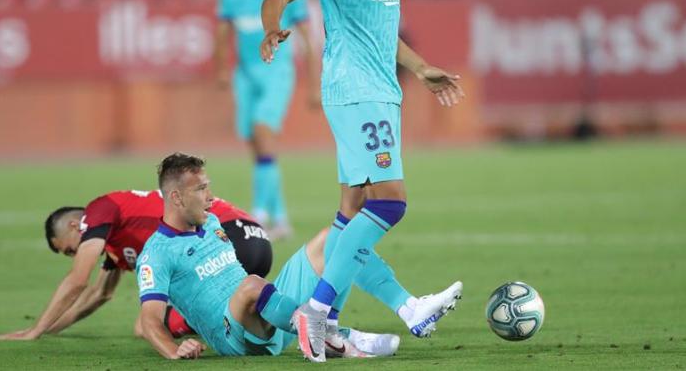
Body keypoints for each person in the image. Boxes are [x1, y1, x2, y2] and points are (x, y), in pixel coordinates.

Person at [260, 0, 465, 361]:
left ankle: (408, 308)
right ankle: (316, 311)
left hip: (381, 91)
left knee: (349, 216)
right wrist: (272, 27)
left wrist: (420, 69)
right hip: (354, 91)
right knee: (389, 204)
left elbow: (383, 30)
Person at [137, 152, 461, 360]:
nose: (210, 197)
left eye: (209, 187)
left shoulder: (209, 223)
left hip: (269, 311)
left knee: (335, 239)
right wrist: (174, 349)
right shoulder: (156, 253)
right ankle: (333, 335)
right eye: (200, 189)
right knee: (251, 284)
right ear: (176, 198)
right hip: (233, 336)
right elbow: (149, 320)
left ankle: (405, 308)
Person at [0, 190, 270, 340]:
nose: (76, 255)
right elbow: (100, 294)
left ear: (77, 225)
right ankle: (283, 311)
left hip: (226, 235)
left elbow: (78, 281)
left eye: (69, 250)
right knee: (149, 323)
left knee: (151, 325)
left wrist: (34, 331)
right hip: (254, 239)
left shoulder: (99, 209)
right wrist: (49, 328)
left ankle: (259, 316)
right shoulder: (116, 241)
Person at [215, 0, 319, 239]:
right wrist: (222, 69)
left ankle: (258, 216)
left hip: (277, 74)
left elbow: (308, 40)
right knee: (257, 146)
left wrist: (315, 84)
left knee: (263, 133)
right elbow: (222, 35)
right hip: (245, 76)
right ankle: (282, 219)